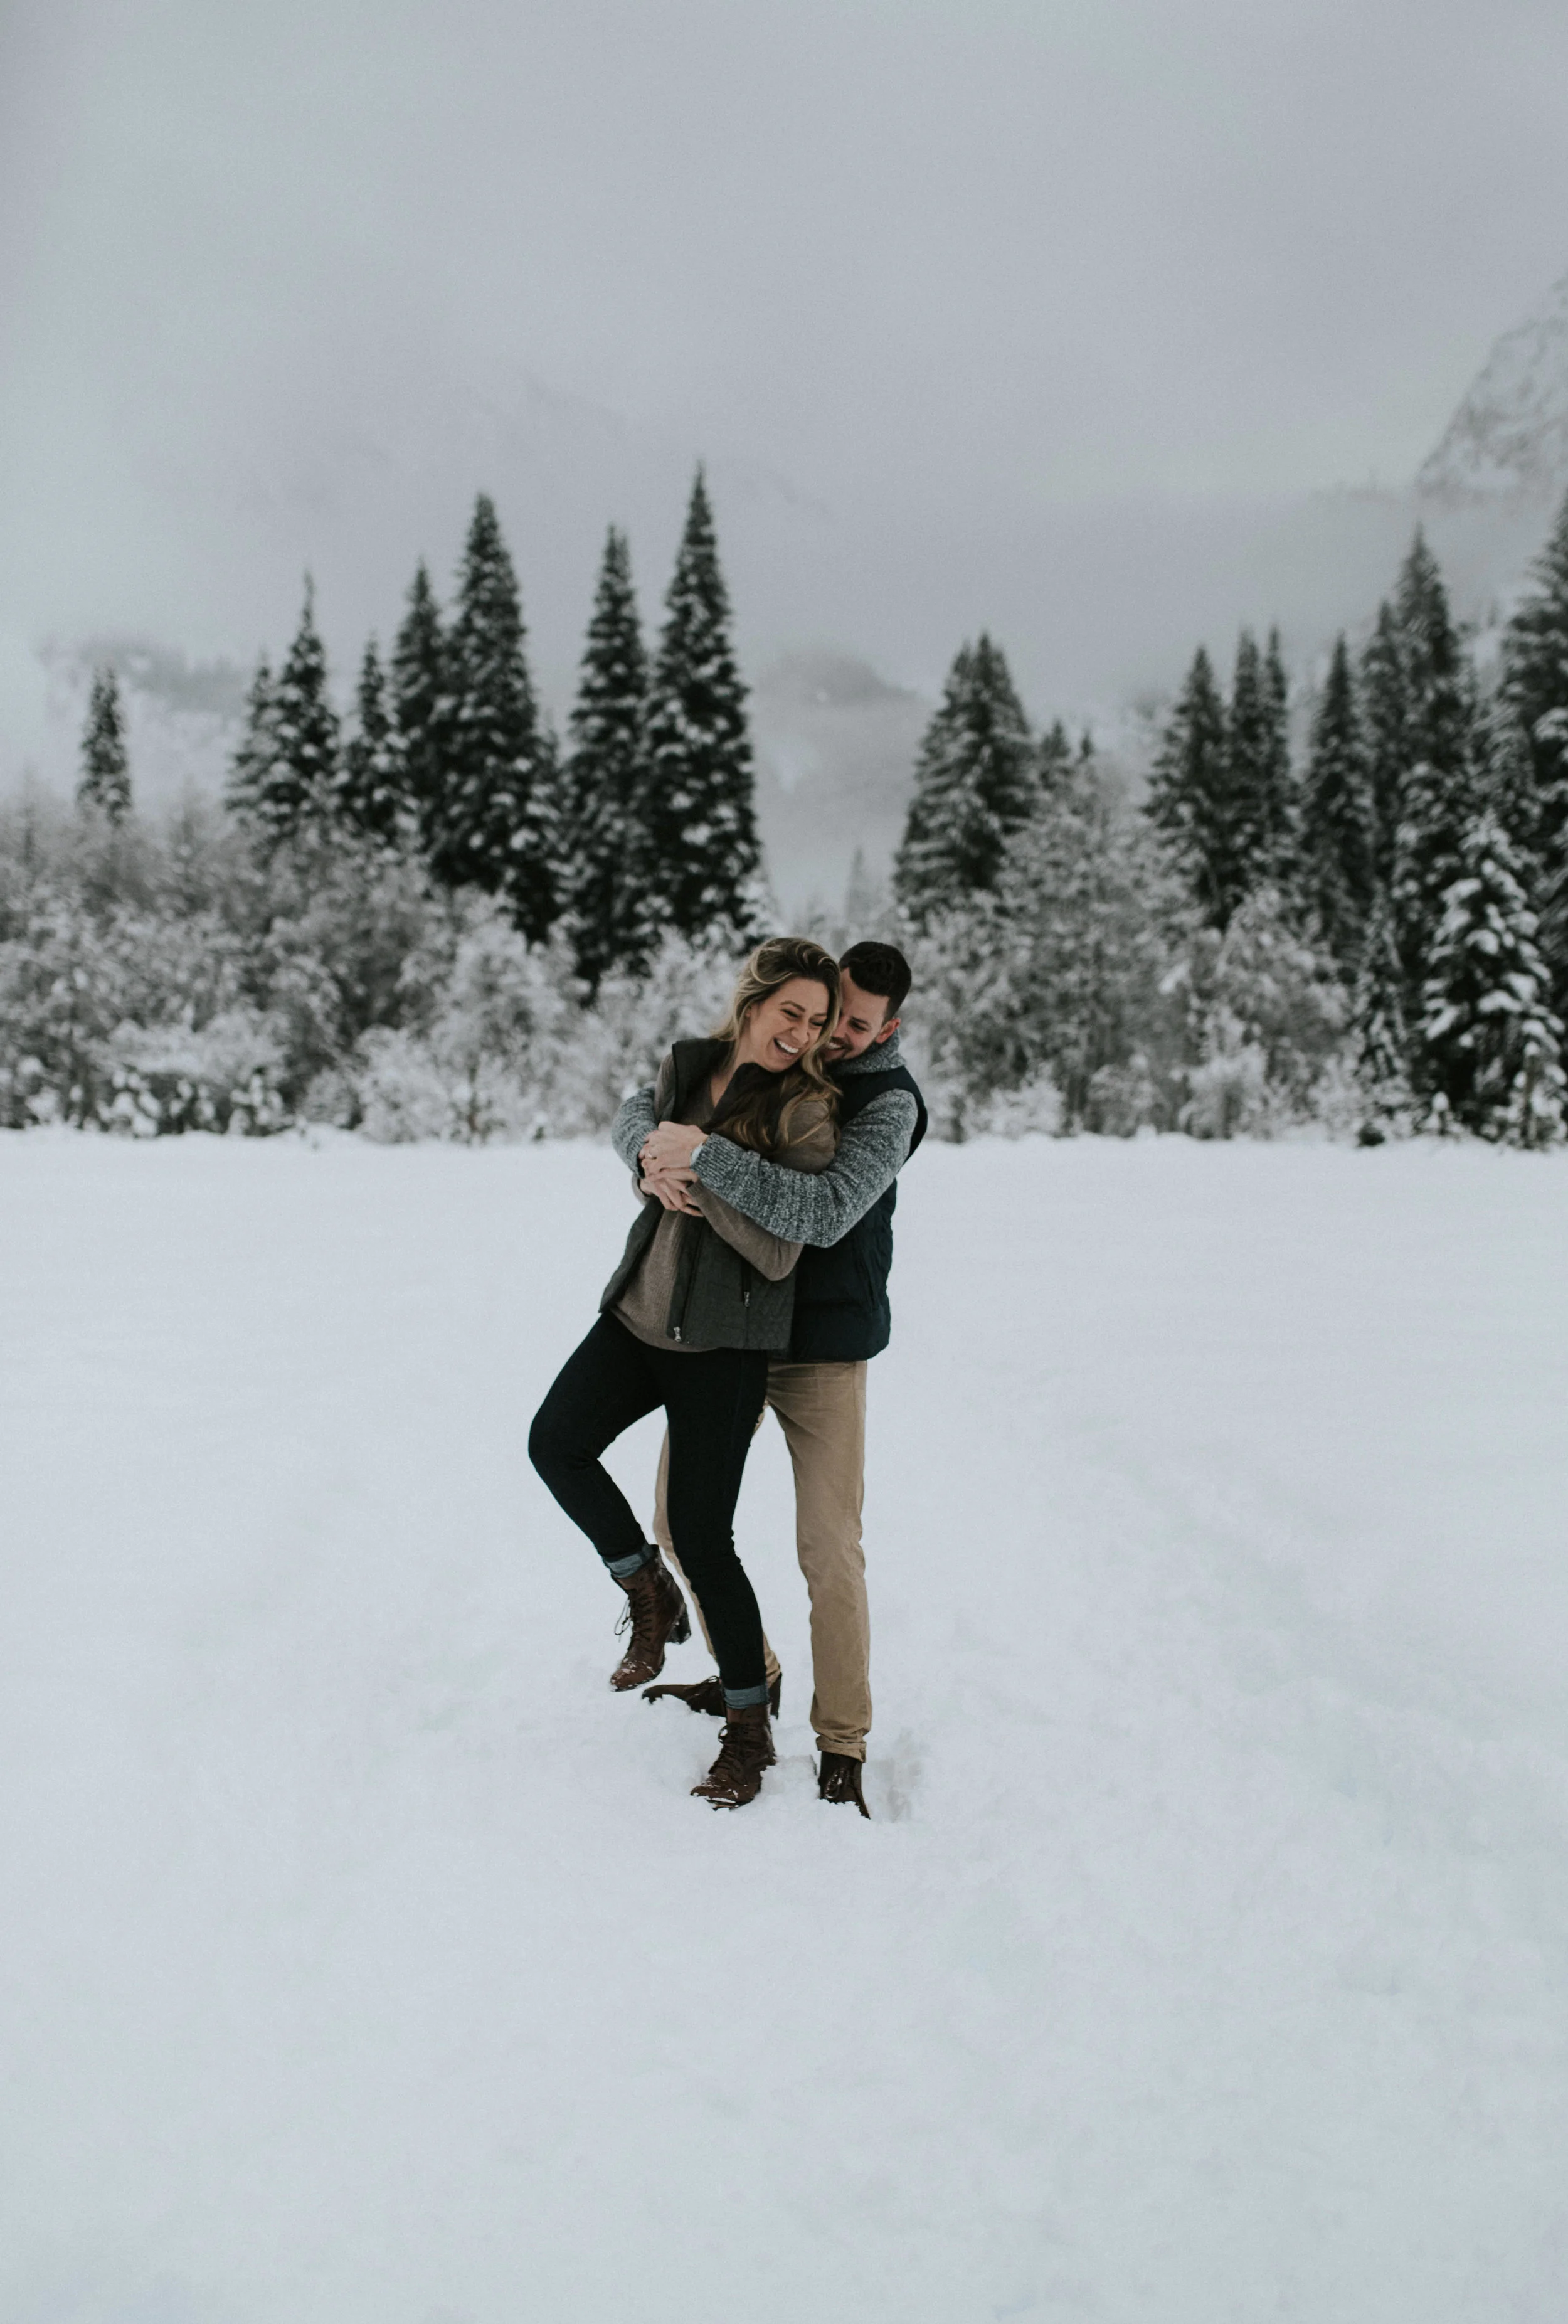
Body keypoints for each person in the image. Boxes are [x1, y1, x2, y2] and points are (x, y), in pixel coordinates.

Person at [615, 940, 926, 1818]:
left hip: (823, 1348)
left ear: (887, 1030)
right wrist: (648, 1153)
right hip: (736, 1334)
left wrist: (702, 1157)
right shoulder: (781, 1051)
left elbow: (823, 1214)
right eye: (828, 1016)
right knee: (678, 1520)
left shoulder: (888, 1105)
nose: (831, 1036)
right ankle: (754, 1674)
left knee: (828, 1549)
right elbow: (650, 1103)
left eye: (854, 1026)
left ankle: (843, 1743)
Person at [529, 937, 840, 1810]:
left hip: (726, 1345)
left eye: (817, 1023)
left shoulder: (807, 1110)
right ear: (753, 1003)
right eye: (791, 1013)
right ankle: (646, 1588)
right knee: (556, 1444)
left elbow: (782, 1248)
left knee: (704, 1538)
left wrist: (700, 1169)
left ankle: (749, 1729)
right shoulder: (686, 1068)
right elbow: (639, 1137)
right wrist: (648, 1164)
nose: (801, 1034)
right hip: (639, 1315)